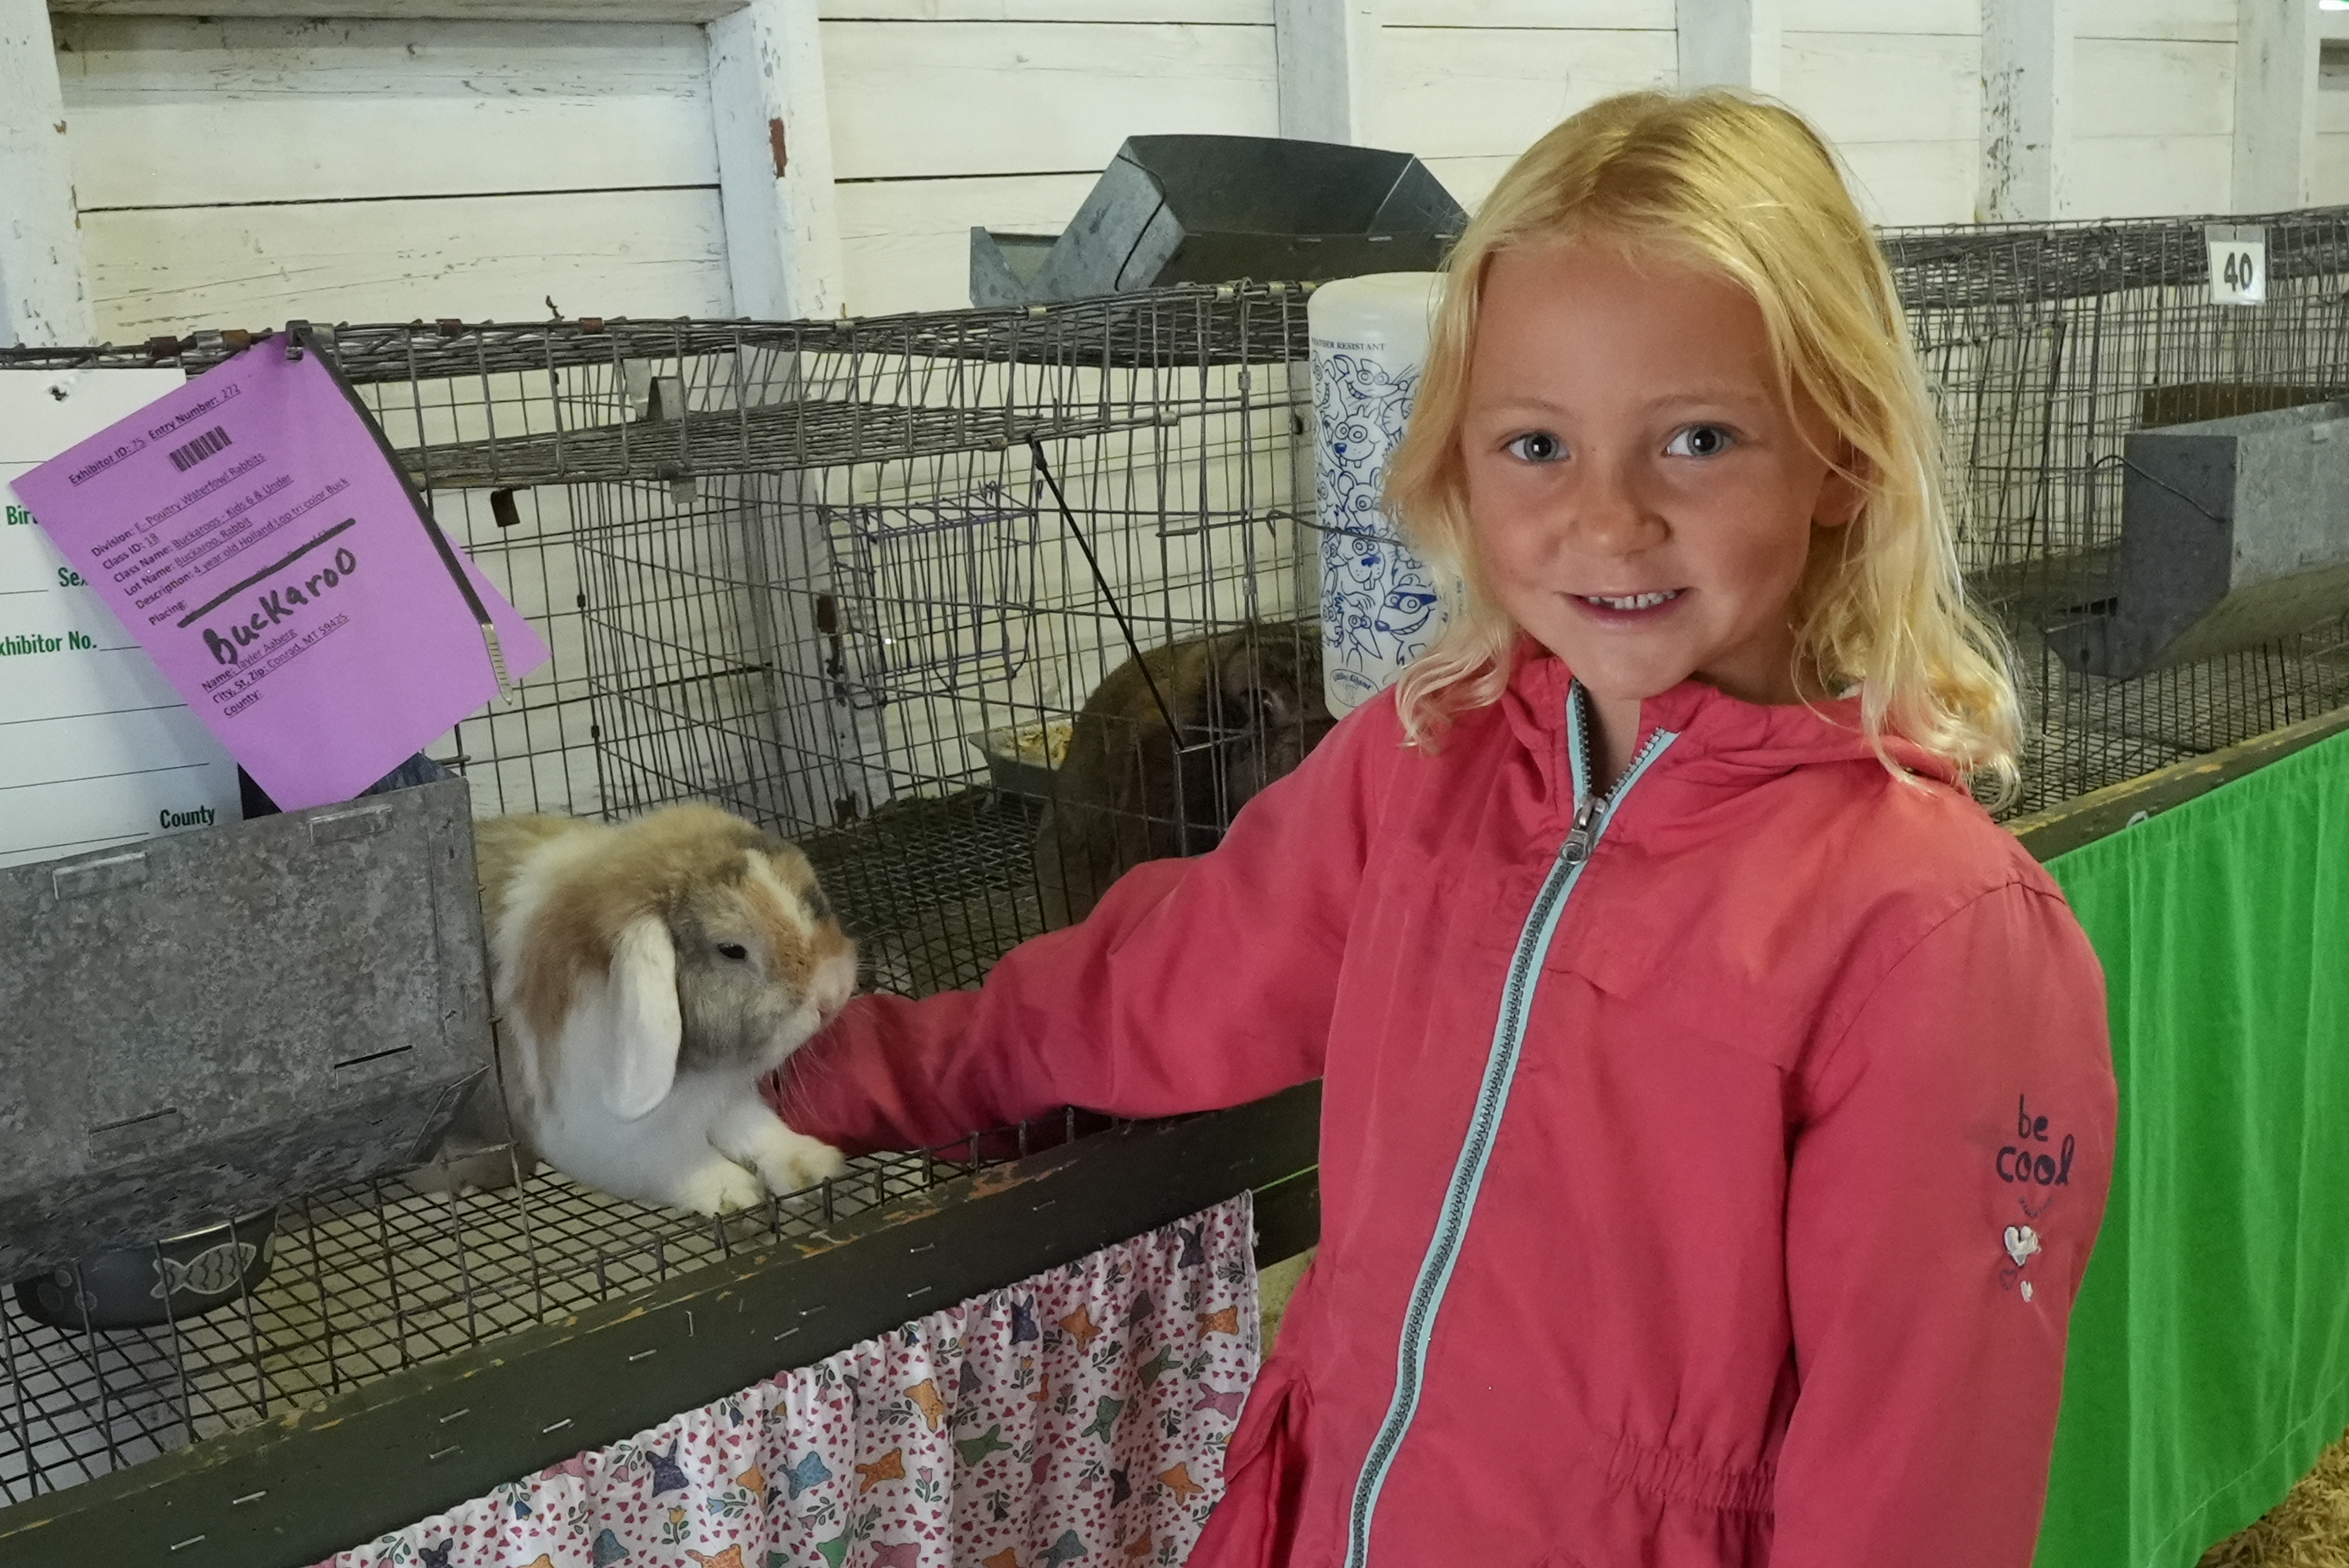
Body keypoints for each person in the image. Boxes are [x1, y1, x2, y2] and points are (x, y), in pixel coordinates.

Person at [768, 89, 2117, 1568]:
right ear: (1457, 465)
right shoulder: (1422, 764)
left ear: (1842, 457)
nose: (1605, 523)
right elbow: (1154, 987)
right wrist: (827, 1072)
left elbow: (1916, 1486)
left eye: (1699, 440)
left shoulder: (1931, 934)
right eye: (1536, 444)